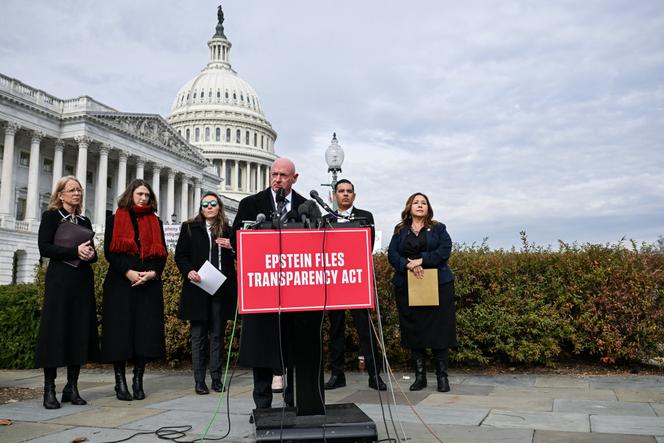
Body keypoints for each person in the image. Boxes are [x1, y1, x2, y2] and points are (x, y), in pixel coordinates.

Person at [231, 158, 307, 417]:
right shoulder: (250, 204)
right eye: (274, 174)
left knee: (294, 347)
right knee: (262, 347)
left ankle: (293, 402)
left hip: (296, 292)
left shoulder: (306, 206)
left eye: (283, 175)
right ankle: (262, 407)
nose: (277, 179)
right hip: (261, 289)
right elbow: (235, 239)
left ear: (294, 178)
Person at [36, 176, 99, 409]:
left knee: (78, 333)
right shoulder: (51, 216)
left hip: (82, 282)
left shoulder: (84, 220)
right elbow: (45, 248)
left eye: (79, 190)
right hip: (60, 282)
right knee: (55, 332)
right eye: (71, 190)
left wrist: (90, 255)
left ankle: (71, 387)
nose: (77, 193)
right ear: (60, 194)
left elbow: (94, 254)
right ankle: (49, 389)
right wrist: (74, 251)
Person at [102, 179, 168, 401]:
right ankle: (119, 381)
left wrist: (152, 273)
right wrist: (128, 272)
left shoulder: (155, 222)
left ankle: (138, 379)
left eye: (147, 195)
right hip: (121, 284)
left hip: (148, 285)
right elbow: (110, 253)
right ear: (130, 194)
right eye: (140, 194)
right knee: (119, 334)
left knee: (145, 334)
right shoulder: (115, 219)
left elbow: (163, 254)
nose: (143, 198)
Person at [387, 192, 457, 392]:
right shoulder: (400, 230)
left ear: (428, 208)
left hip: (438, 285)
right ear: (409, 207)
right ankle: (420, 377)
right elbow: (392, 254)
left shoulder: (438, 228)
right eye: (416, 202)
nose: (420, 205)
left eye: (423, 202)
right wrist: (407, 264)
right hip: (408, 285)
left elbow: (445, 249)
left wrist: (422, 260)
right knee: (414, 330)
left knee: (439, 330)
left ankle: (442, 377)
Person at [322, 179, 386, 391]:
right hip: (335, 283)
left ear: (354, 196)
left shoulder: (365, 217)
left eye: (349, 191)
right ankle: (337, 375)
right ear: (334, 195)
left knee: (365, 329)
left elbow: (367, 245)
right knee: (336, 330)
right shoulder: (326, 219)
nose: (345, 194)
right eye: (341, 191)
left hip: (357, 280)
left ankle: (374, 375)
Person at [175, 192, 237, 395]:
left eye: (213, 204)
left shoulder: (228, 230)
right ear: (200, 208)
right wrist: (188, 271)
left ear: (219, 207)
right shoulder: (190, 228)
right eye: (205, 204)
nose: (209, 207)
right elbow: (181, 255)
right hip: (198, 288)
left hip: (220, 288)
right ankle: (199, 380)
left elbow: (240, 254)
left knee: (217, 335)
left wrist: (232, 246)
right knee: (198, 335)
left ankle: (217, 379)